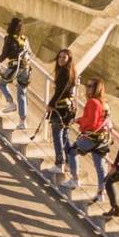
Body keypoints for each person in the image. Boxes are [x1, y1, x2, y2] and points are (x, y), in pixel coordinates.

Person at [0, 16, 33, 129]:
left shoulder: (9, 39)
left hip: (14, 67)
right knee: (22, 93)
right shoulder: (25, 39)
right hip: (26, 69)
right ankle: (23, 122)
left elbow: (4, 55)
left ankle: (10, 102)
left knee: (2, 83)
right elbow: (30, 53)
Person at [75, 78, 113, 202]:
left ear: (96, 88)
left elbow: (91, 123)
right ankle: (101, 192)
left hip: (93, 139)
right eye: (87, 85)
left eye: (90, 86)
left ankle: (75, 178)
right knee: (100, 167)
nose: (87, 88)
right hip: (103, 139)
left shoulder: (93, 102)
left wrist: (80, 125)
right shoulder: (104, 103)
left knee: (71, 151)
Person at [45, 49, 79, 186]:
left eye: (64, 57)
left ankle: (59, 163)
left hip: (61, 108)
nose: (61, 59)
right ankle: (70, 164)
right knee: (65, 137)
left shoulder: (64, 72)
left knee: (57, 135)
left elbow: (60, 91)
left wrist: (50, 104)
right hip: (69, 109)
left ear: (69, 59)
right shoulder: (72, 72)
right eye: (59, 57)